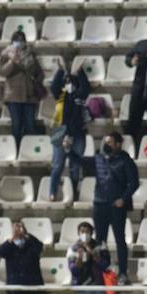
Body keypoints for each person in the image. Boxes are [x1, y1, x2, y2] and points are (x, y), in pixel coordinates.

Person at [93, 131, 140, 276]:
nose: (106, 145)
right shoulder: (99, 158)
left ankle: (123, 273)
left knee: (120, 240)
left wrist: (123, 198)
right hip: (100, 204)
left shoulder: (125, 160)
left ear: (118, 144)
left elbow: (134, 183)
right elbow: (81, 161)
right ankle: (101, 272)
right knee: (100, 241)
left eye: (110, 142)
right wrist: (69, 151)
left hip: (116, 206)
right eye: (105, 142)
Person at [48, 65, 91, 202]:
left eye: (71, 82)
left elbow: (86, 86)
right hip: (59, 132)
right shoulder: (60, 95)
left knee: (75, 165)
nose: (69, 85)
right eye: (66, 82)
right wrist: (61, 71)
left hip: (78, 133)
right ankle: (52, 193)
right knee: (57, 165)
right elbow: (54, 86)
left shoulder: (81, 96)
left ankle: (73, 191)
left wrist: (80, 71)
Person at [0, 30, 45, 147]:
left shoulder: (31, 55)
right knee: (16, 125)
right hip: (13, 95)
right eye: (17, 40)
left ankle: (30, 148)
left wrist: (34, 80)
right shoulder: (5, 54)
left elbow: (40, 73)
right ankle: (16, 149)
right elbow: (2, 72)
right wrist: (11, 61)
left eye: (21, 40)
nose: (19, 43)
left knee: (30, 125)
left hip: (29, 95)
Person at [68, 226, 110, 294]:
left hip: (99, 289)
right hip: (82, 290)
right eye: (82, 232)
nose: (85, 234)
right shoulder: (73, 249)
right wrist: (79, 258)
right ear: (78, 233)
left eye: (87, 232)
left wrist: (91, 252)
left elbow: (105, 265)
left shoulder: (101, 246)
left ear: (92, 233)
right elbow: (75, 271)